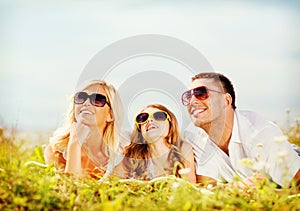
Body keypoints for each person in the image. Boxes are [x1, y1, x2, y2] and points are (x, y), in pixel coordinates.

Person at [182, 72, 300, 188]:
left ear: (226, 100)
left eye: (201, 93)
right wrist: (236, 188)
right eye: (188, 96)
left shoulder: (260, 133)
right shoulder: (193, 137)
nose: (192, 101)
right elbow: (206, 188)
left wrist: (263, 194)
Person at [44, 80, 123, 179]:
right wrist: (74, 144)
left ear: (110, 115)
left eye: (97, 100)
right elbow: (69, 191)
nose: (86, 103)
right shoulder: (56, 151)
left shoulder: (118, 160)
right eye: (81, 97)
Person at [113, 104, 196, 183]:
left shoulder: (183, 148)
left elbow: (191, 189)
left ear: (170, 124)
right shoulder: (132, 155)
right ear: (140, 132)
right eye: (143, 118)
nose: (149, 120)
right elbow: (109, 183)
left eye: (158, 116)